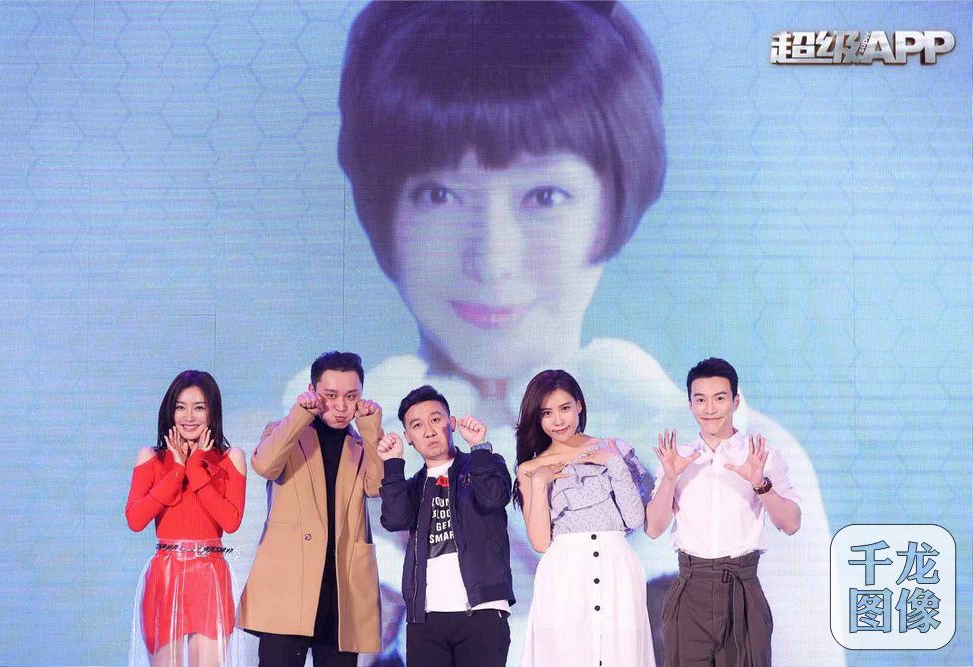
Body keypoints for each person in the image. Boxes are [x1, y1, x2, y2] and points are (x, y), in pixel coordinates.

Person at [283, 2, 840, 663]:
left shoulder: (744, 457)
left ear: (613, 202)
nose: (492, 258)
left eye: (544, 196)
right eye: (439, 194)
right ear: (384, 208)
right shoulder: (293, 460)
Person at [646, 358, 802, 666]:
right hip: (690, 586)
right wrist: (670, 478)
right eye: (700, 400)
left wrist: (760, 484)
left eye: (719, 398)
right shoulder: (677, 459)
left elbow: (791, 523)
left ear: (735, 401)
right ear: (690, 404)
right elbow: (654, 528)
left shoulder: (761, 456)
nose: (710, 409)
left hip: (742, 585)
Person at [238, 351, 384, 666]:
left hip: (342, 592)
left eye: (351, 396)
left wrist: (371, 429)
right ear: (312, 391)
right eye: (330, 395)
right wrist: (299, 414)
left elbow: (377, 486)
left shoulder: (361, 444)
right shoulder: (284, 431)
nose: (341, 406)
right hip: (288, 587)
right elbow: (264, 464)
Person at [514, 370, 655, 667]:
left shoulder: (612, 449)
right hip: (565, 571)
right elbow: (540, 541)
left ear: (579, 405)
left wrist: (614, 464)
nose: (558, 420)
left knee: (621, 653)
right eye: (547, 413)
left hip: (616, 565)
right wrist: (539, 484)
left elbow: (634, 519)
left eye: (564, 408)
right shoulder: (530, 468)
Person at [377, 385, 515, 667]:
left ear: (451, 423)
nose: (429, 431)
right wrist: (392, 465)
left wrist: (479, 447)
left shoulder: (484, 463)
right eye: (417, 425)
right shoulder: (413, 486)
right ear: (408, 437)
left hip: (482, 610)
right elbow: (394, 519)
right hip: (426, 616)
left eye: (435, 419)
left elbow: (493, 498)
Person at [125, 370, 247, 666]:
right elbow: (136, 520)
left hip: (209, 574)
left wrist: (195, 468)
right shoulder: (151, 457)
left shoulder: (231, 457)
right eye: (181, 407)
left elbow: (230, 522)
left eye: (199, 407)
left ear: (212, 412)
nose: (189, 417)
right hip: (165, 575)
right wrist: (177, 470)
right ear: (170, 412)